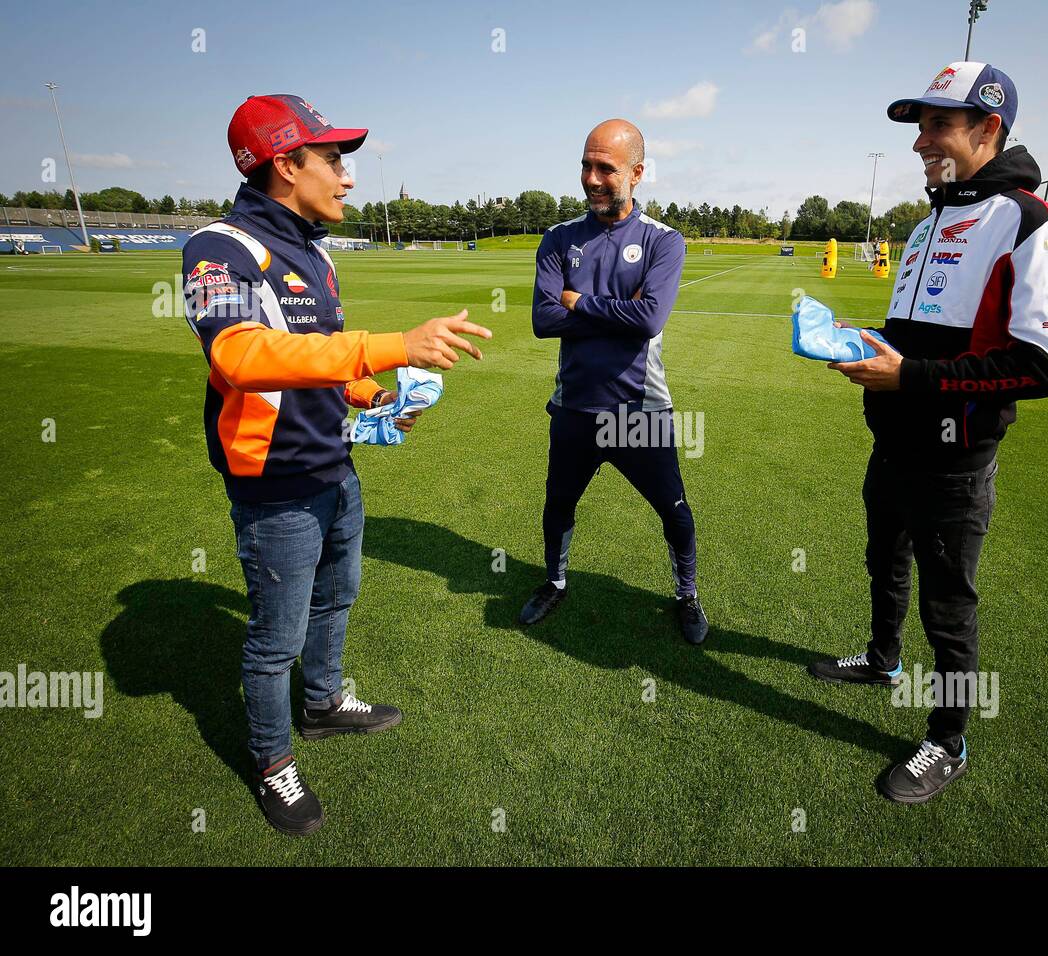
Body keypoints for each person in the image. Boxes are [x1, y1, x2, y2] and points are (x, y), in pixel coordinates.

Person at [182, 93, 492, 834]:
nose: (348, 177)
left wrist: (373, 394)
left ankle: (322, 704)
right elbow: (241, 354)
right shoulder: (218, 246)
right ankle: (271, 761)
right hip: (274, 485)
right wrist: (389, 345)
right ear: (285, 164)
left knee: (338, 593)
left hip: (336, 465)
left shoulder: (315, 250)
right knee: (272, 639)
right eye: (333, 160)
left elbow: (321, 361)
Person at [808, 63, 1048, 803]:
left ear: (988, 127)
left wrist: (912, 379)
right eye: (918, 126)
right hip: (892, 445)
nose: (920, 142)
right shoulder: (930, 221)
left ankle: (948, 742)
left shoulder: (1037, 223)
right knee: (882, 562)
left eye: (937, 124)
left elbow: (1042, 365)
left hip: (956, 462)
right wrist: (861, 343)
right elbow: (911, 337)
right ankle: (882, 659)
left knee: (949, 607)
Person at [519, 119, 707, 644]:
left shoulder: (663, 242)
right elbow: (542, 320)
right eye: (586, 164)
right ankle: (555, 581)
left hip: (639, 412)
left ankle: (686, 594)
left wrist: (578, 301)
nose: (593, 178)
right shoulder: (558, 239)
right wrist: (616, 312)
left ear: (637, 173)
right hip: (575, 408)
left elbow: (649, 321)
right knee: (557, 505)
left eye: (606, 167)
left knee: (675, 513)